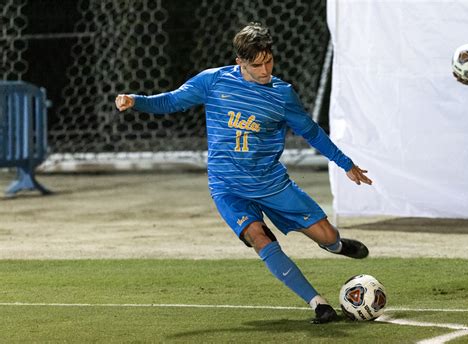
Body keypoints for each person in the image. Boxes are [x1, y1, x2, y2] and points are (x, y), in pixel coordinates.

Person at [115, 22, 373, 324]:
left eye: (269, 61)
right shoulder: (213, 82)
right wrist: (136, 101)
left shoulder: (282, 95)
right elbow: (172, 100)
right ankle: (318, 304)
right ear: (239, 62)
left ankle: (338, 247)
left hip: (271, 183)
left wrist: (345, 164)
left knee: (327, 236)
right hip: (228, 186)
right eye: (256, 65)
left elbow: (311, 133)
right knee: (258, 236)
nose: (265, 70)